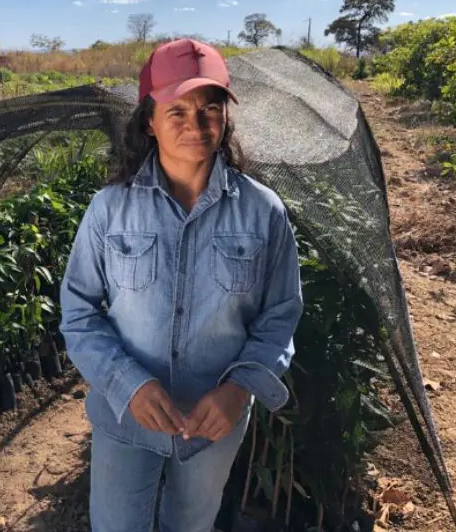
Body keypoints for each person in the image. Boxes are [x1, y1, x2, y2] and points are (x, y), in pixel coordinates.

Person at [59, 38, 303, 532]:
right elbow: (79, 310)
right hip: (124, 418)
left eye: (209, 109)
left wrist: (238, 389)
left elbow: (280, 315)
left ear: (225, 119)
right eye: (177, 111)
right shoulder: (110, 210)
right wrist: (129, 385)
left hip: (214, 426)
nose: (196, 124)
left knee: (190, 525)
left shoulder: (263, 212)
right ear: (149, 121)